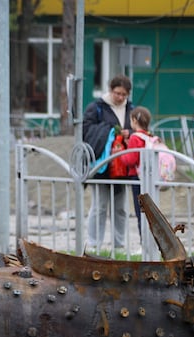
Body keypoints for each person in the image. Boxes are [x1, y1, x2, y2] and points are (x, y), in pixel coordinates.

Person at [82, 74, 134, 250]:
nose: (120, 98)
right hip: (101, 165)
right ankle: (94, 243)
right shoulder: (96, 108)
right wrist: (113, 131)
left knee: (120, 208)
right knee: (100, 206)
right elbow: (87, 132)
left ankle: (119, 245)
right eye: (117, 93)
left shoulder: (131, 110)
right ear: (110, 90)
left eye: (123, 95)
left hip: (122, 166)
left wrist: (129, 135)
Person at [119, 106, 153, 229]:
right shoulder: (148, 136)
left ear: (134, 120)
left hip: (137, 177)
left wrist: (121, 153)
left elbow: (131, 159)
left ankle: (143, 242)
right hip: (149, 177)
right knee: (150, 212)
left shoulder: (135, 137)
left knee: (140, 212)